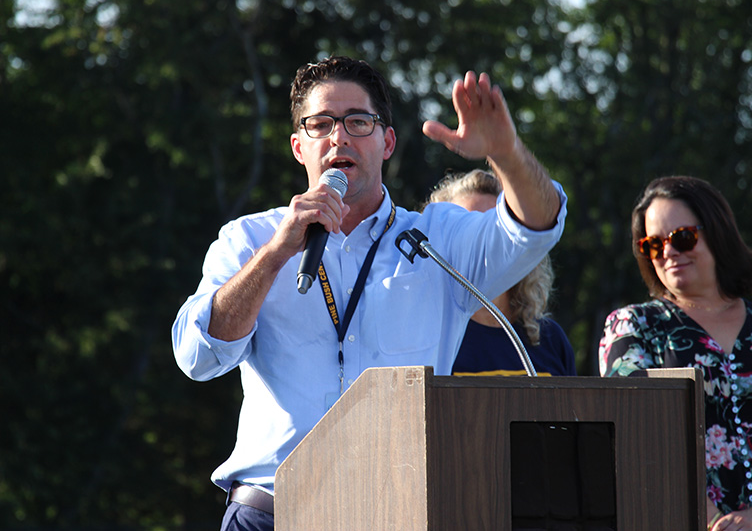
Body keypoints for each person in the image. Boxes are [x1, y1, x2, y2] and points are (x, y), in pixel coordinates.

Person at [172, 56, 568, 531]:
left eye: (358, 122)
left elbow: (540, 225)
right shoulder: (249, 240)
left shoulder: (437, 242)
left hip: (397, 513)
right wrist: (277, 252)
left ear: (387, 142)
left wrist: (505, 152)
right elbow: (198, 356)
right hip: (270, 513)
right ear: (299, 147)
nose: (339, 137)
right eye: (320, 124)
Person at [598, 176, 752, 531]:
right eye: (652, 245)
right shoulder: (635, 327)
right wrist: (714, 522)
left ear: (717, 233)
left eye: (682, 238)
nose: (668, 253)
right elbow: (637, 430)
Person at [425, 169, 576, 376]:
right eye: (467, 231)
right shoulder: (428, 342)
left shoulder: (549, 338)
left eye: (495, 232)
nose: (481, 244)